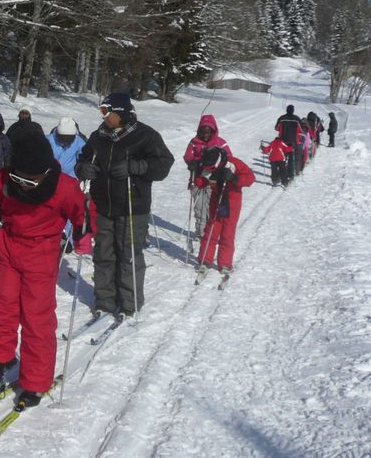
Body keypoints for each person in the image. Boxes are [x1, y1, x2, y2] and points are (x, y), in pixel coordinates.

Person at [0, 126, 86, 411]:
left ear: (45, 172)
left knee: (37, 318)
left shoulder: (63, 186)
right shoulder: (4, 178)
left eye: (31, 181)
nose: (23, 185)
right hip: (9, 249)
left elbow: (82, 211)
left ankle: (36, 381)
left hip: (42, 253)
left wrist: (83, 231)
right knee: (2, 311)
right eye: (19, 178)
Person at [75, 92, 174, 319]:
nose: (103, 117)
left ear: (120, 112)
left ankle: (130, 302)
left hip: (133, 205)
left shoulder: (145, 135)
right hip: (103, 205)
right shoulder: (97, 136)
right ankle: (105, 301)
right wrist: (83, 169)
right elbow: (83, 159)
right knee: (103, 254)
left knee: (128, 254)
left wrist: (137, 167)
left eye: (106, 111)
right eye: (101, 111)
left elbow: (163, 164)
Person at [194, 146, 255, 277]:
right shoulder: (207, 165)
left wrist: (234, 179)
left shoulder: (233, 163)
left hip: (232, 204)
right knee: (211, 231)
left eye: (211, 168)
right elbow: (202, 181)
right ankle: (205, 259)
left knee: (227, 234)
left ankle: (225, 263)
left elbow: (250, 178)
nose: (209, 169)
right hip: (216, 203)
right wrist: (197, 176)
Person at [181, 115, 231, 241]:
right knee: (199, 206)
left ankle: (210, 231)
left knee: (210, 206)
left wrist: (217, 163)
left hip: (213, 181)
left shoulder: (220, 142)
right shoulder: (194, 142)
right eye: (203, 131)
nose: (205, 134)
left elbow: (229, 157)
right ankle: (200, 231)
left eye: (208, 132)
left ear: (213, 131)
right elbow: (188, 156)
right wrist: (192, 162)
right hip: (197, 179)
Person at [275, 104, 304, 179]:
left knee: (282, 157)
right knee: (291, 158)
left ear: (286, 110)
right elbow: (301, 130)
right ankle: (290, 174)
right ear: (293, 110)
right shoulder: (297, 119)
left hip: (282, 140)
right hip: (293, 141)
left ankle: (280, 173)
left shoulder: (282, 118)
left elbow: (276, 128)